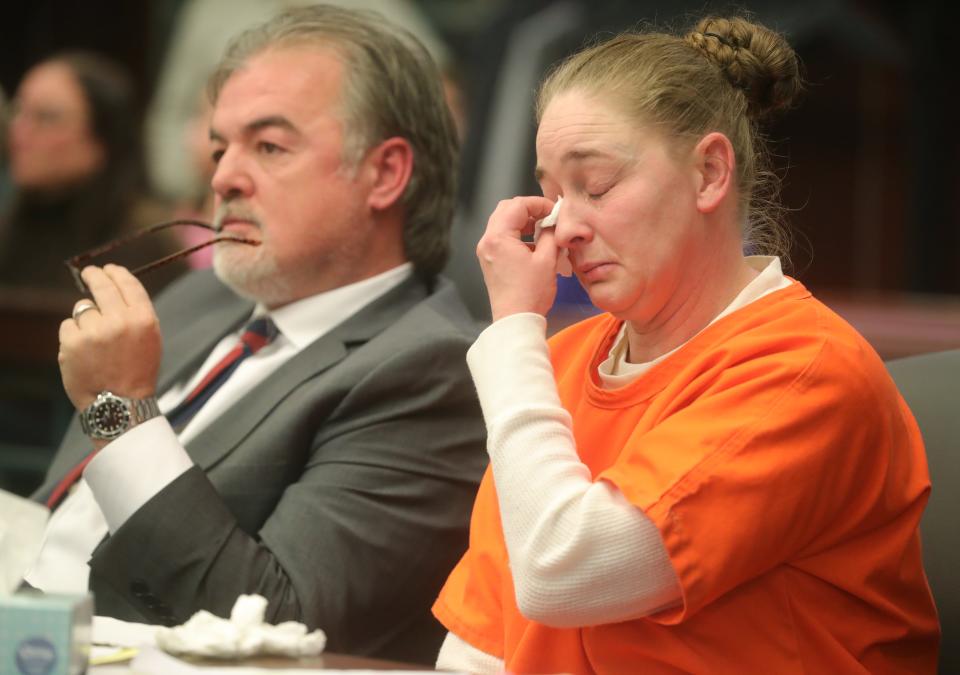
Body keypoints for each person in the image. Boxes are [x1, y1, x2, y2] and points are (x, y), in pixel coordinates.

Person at [433, 15, 939, 674]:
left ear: (708, 173)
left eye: (596, 186)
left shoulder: (803, 369)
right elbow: (480, 645)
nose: (565, 227)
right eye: (552, 195)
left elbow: (565, 571)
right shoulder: (551, 364)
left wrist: (509, 333)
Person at [28, 5, 486, 664]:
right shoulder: (202, 296)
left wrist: (121, 412)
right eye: (220, 147)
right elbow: (59, 517)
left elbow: (276, 631)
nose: (221, 178)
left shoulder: (432, 368)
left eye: (268, 146)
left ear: (385, 174)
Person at [0, 52, 184, 294]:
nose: (19, 133)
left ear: (101, 140)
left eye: (45, 118)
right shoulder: (10, 232)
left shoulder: (145, 243)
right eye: (18, 112)